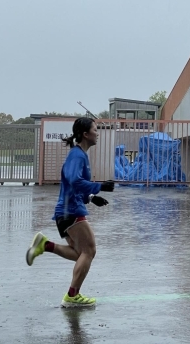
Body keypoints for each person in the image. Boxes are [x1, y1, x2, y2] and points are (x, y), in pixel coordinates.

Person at [25, 117, 114, 307]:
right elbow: (74, 180)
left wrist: (91, 197)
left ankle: (45, 245)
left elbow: (73, 185)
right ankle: (72, 296)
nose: (97, 133)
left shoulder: (80, 155)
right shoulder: (77, 155)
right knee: (89, 251)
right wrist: (100, 186)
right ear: (85, 134)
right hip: (70, 211)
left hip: (67, 211)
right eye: (95, 129)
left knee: (80, 253)